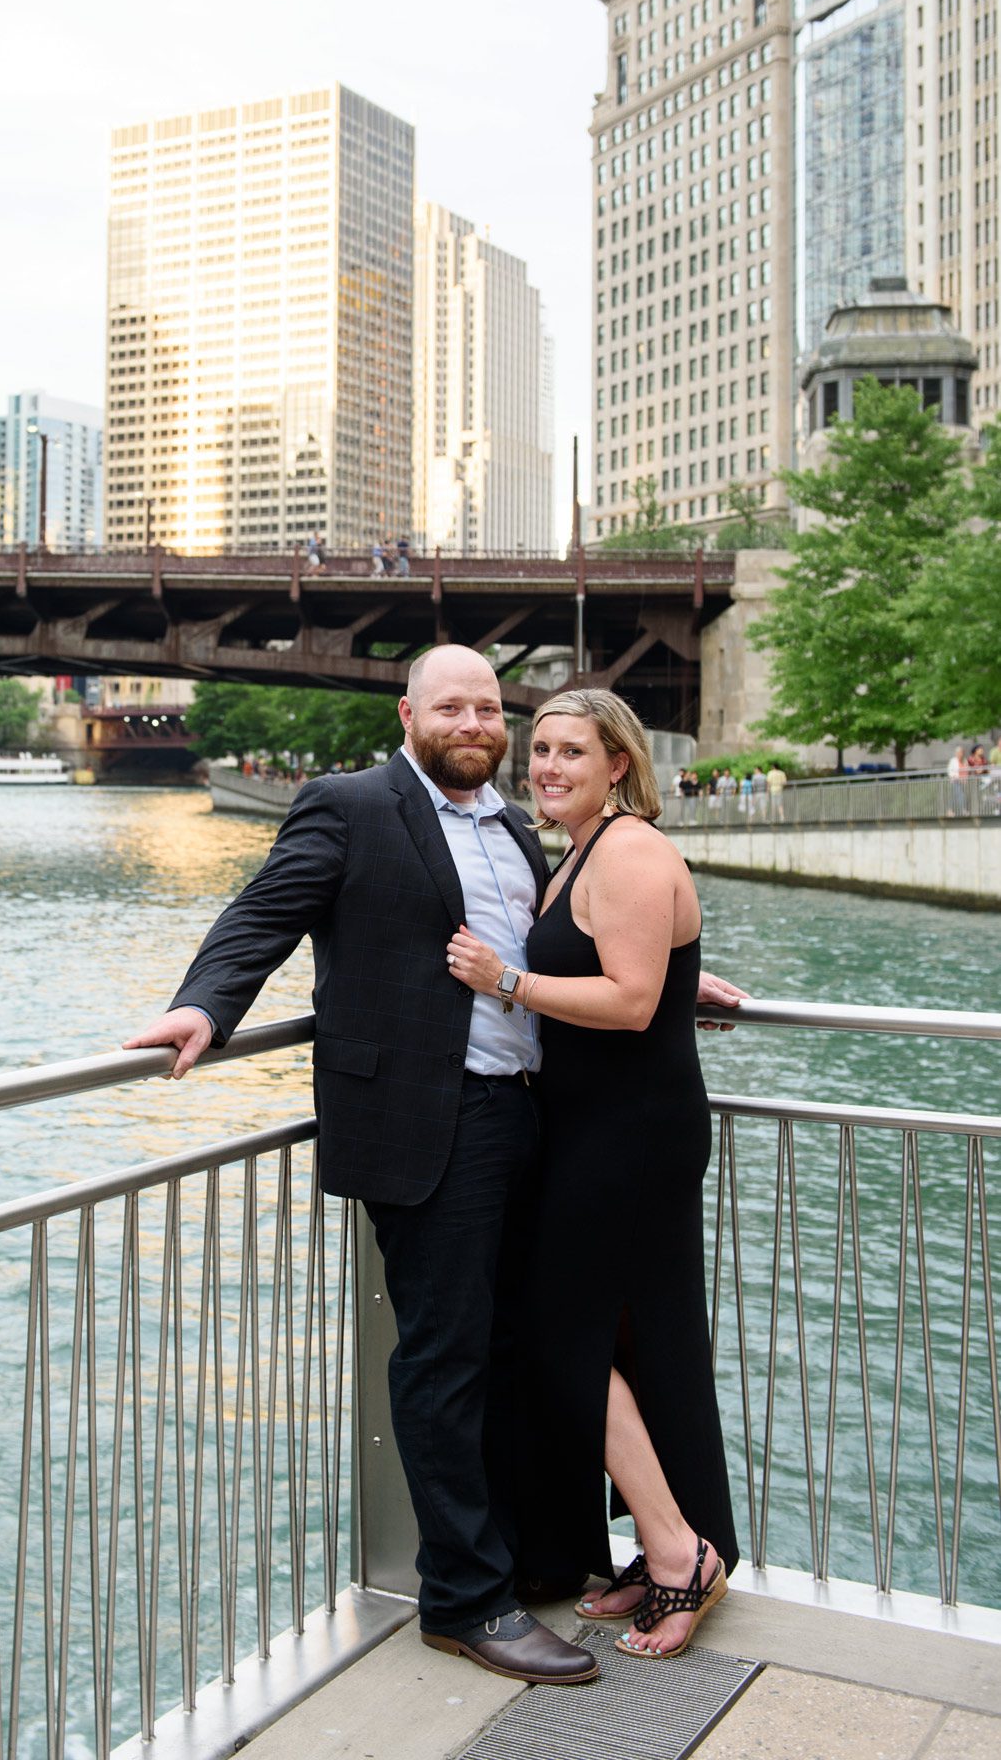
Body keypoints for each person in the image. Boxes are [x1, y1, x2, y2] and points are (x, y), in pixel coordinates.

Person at [122, 646, 744, 1686]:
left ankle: (540, 1559)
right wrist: (203, 1003)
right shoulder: (349, 803)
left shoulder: (512, 825)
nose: (474, 721)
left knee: (528, 1350)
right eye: (450, 703)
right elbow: (263, 912)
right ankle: (464, 1599)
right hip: (428, 1127)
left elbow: (554, 939)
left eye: (487, 707)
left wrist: (676, 969)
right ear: (409, 713)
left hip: (528, 1121)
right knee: (446, 1360)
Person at [447, 688, 739, 1661]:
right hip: (598, 1126)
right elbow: (631, 963)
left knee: (559, 1335)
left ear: (619, 761)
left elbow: (623, 998)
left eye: (572, 750)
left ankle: (675, 1549)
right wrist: (672, 976)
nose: (547, 765)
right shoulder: (580, 849)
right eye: (539, 750)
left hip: (628, 1133)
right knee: (637, 1337)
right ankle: (671, 1547)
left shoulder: (626, 848)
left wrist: (504, 979)